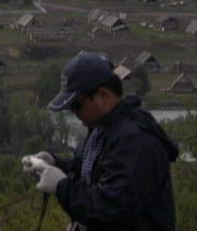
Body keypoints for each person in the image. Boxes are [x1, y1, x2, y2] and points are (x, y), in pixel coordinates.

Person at [23, 52, 178, 230]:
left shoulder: (136, 140)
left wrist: (62, 186)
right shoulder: (101, 131)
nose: (74, 112)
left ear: (102, 96)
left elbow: (112, 208)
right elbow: (88, 170)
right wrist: (56, 164)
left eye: (76, 105)